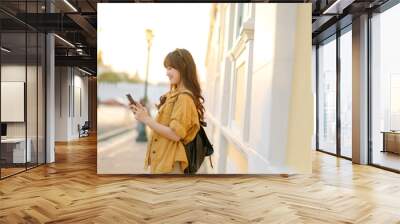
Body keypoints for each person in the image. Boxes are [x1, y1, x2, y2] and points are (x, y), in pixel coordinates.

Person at [130, 48, 205, 174]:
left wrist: (146, 119)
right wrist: (144, 114)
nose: (167, 73)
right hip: (163, 161)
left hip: (170, 166)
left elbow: (175, 135)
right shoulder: (173, 95)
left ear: (183, 67)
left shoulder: (184, 98)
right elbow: (164, 126)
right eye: (166, 68)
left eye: (170, 68)